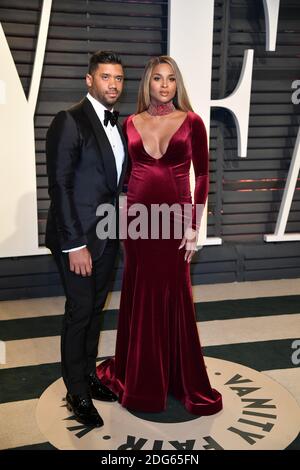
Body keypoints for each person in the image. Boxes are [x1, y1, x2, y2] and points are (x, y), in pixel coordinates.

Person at [97, 56, 223, 415]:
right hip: (137, 223)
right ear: (147, 84)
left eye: (170, 79)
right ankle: (141, 378)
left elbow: (202, 177)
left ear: (177, 84)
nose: (164, 85)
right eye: (157, 79)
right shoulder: (130, 123)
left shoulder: (192, 122)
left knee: (175, 296)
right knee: (139, 295)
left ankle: (178, 376)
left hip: (176, 222)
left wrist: (194, 226)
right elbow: (123, 177)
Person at [45, 51, 128, 427]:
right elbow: (59, 187)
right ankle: (75, 389)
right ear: (89, 80)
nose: (113, 84)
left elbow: (113, 185)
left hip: (108, 234)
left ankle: (90, 376)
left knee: (95, 310)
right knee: (79, 313)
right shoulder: (69, 120)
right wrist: (74, 244)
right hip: (77, 238)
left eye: (119, 78)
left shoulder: (120, 125)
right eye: (106, 77)